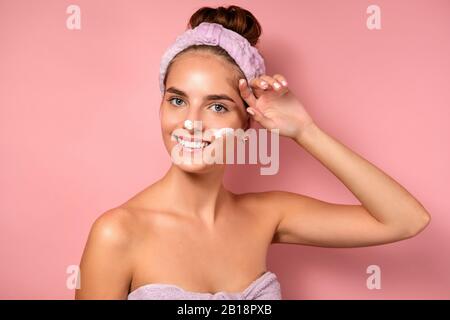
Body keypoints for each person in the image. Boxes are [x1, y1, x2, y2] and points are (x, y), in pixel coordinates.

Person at [75, 5, 431, 300]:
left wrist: (305, 131)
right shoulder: (118, 232)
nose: (191, 122)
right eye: (177, 100)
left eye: (217, 107)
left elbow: (405, 219)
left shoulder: (266, 216)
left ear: (248, 123)